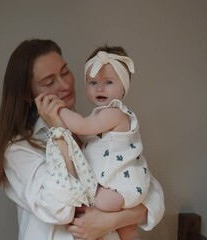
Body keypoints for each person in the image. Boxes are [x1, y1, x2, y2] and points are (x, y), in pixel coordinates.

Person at [0, 39, 164, 240]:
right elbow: (60, 208)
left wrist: (111, 221)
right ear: (29, 95)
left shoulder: (94, 129)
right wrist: (59, 131)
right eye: (49, 82)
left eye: (65, 72)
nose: (64, 85)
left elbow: (152, 194)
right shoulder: (19, 150)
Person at [57, 46, 154, 240]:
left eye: (108, 82)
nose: (99, 88)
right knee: (127, 230)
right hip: (121, 184)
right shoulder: (101, 115)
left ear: (124, 87)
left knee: (97, 201)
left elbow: (82, 127)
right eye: (93, 82)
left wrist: (59, 111)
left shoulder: (114, 112)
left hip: (119, 186)